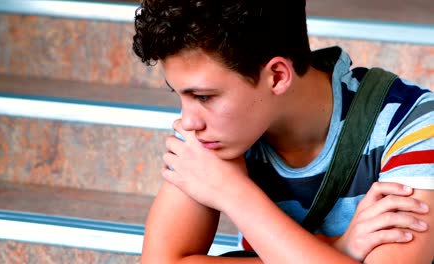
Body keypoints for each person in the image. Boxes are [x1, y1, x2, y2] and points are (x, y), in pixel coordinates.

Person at [132, 0, 434, 263]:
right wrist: (337, 248)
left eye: (204, 97)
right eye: (181, 95)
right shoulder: (215, 134)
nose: (188, 123)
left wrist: (233, 193)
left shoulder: (412, 123)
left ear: (277, 76)